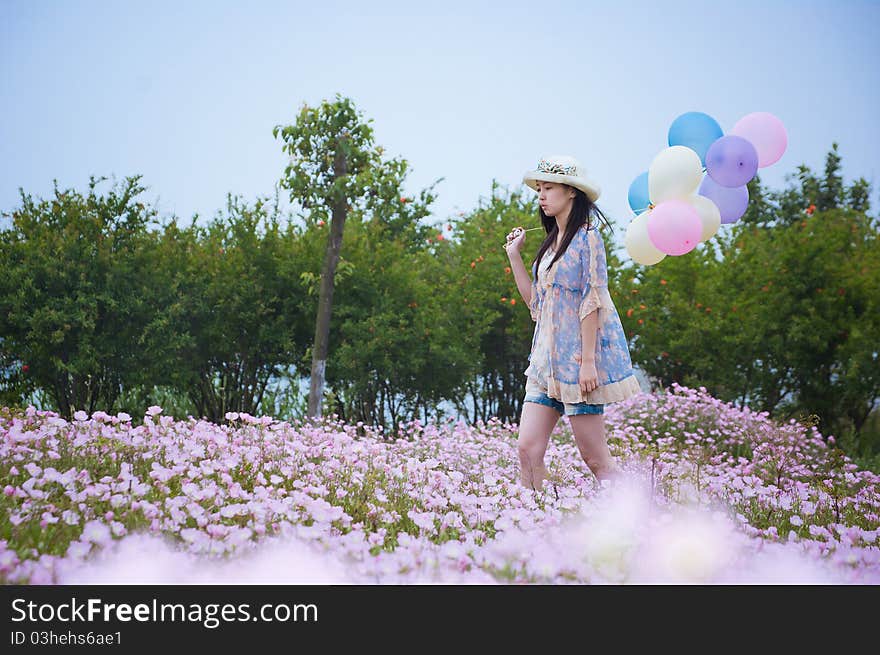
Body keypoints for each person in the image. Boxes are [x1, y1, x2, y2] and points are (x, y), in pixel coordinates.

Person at [504, 155, 643, 491]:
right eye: (539, 188)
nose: (541, 195)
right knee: (527, 448)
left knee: (595, 458)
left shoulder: (587, 237)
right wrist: (514, 257)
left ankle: (636, 512)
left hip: (579, 363)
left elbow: (592, 298)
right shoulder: (551, 243)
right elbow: (536, 305)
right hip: (545, 363)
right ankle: (534, 519)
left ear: (571, 192)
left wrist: (589, 362)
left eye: (549, 188)